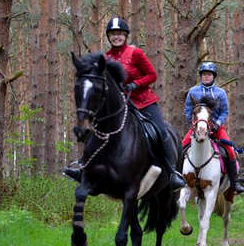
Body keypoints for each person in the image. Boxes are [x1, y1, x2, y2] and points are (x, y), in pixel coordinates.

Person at [64, 16, 186, 191]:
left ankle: (172, 173)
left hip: (143, 101)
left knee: (160, 131)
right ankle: (83, 167)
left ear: (125, 35)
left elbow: (152, 75)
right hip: (120, 105)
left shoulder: (135, 53)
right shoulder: (105, 58)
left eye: (120, 34)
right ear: (108, 37)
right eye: (113, 34)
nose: (117, 37)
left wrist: (135, 84)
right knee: (97, 132)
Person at [182, 62, 244, 194]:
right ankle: (176, 177)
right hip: (197, 127)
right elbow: (188, 110)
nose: (206, 77)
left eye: (209, 74)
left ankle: (235, 183)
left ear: (213, 76)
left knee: (230, 150)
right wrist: (195, 124)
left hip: (216, 128)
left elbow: (225, 112)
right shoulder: (193, 92)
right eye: (204, 74)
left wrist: (217, 124)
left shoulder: (220, 93)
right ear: (201, 76)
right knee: (181, 146)